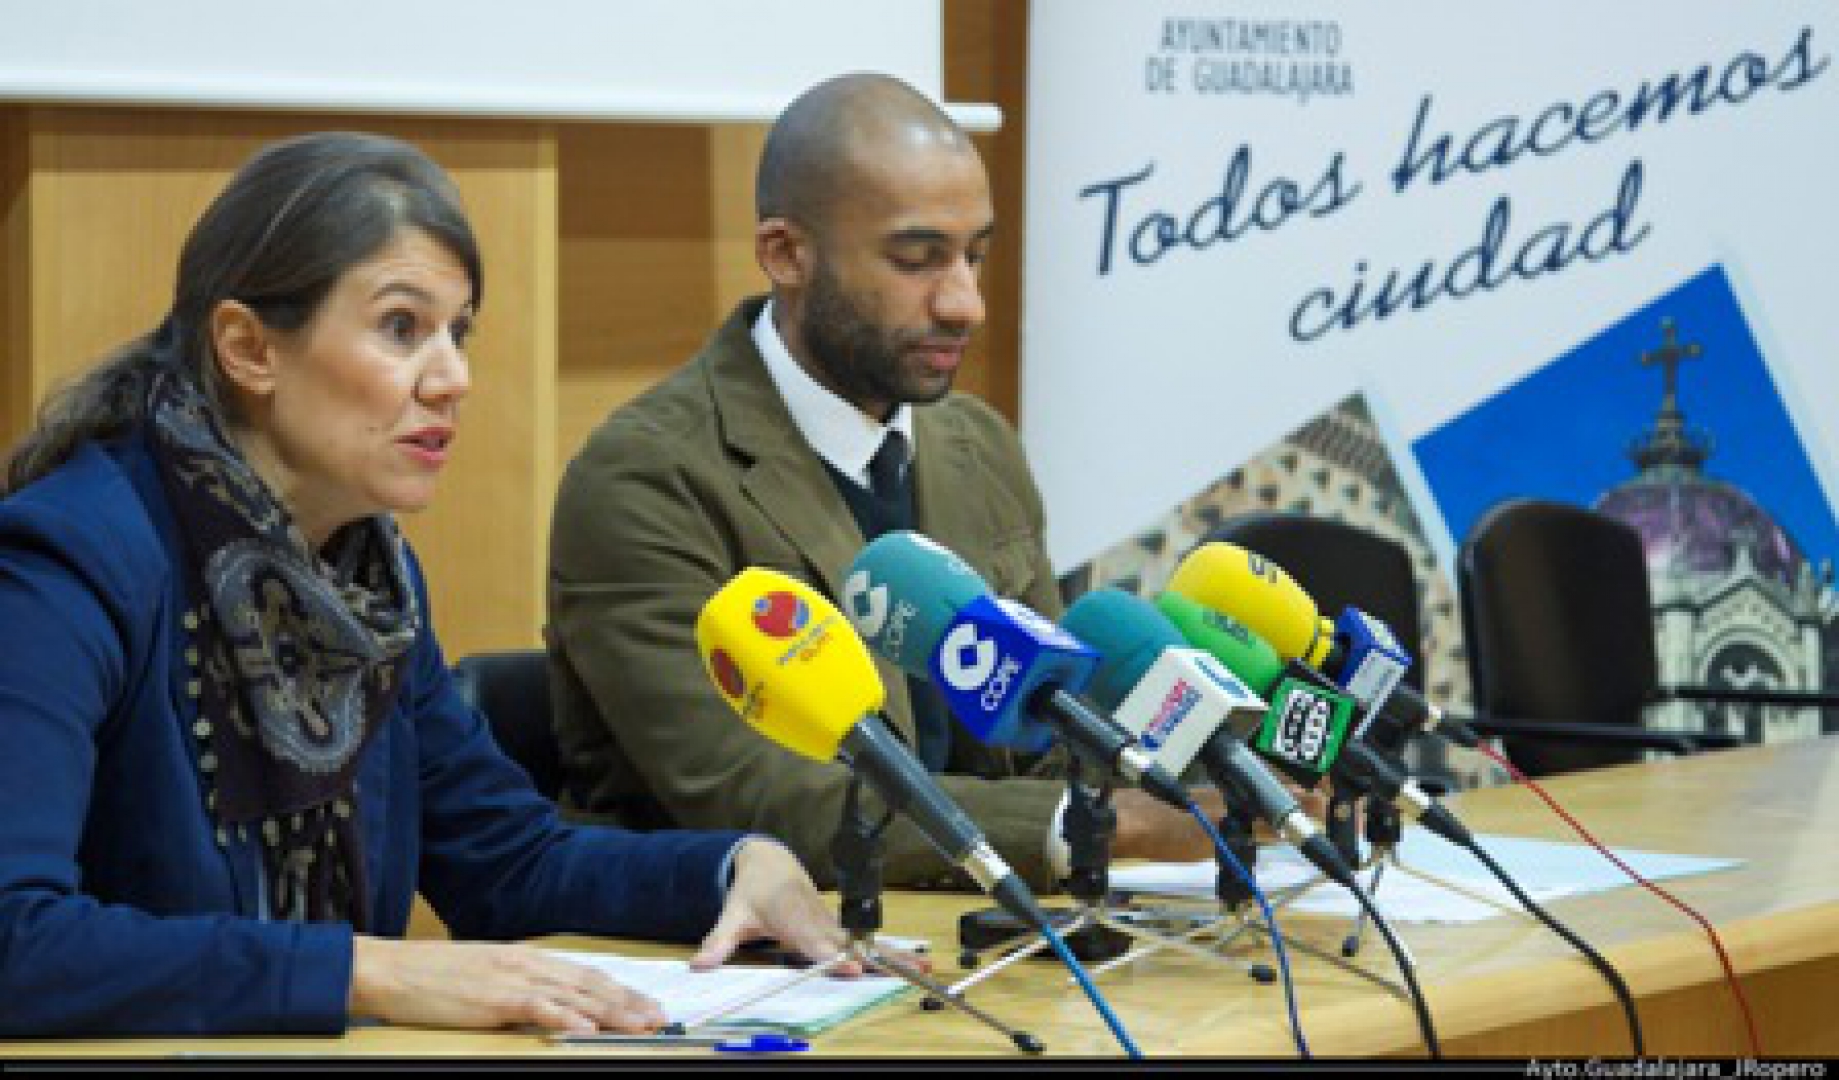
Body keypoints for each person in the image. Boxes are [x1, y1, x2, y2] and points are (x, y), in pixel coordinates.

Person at [0, 132, 853, 1039]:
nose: (454, 379)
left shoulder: (365, 578)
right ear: (249, 348)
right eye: (401, 327)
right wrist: (362, 971)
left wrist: (733, 868)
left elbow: (506, 862)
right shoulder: (65, 566)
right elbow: (17, 939)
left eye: (459, 331)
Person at [548, 74, 1223, 894]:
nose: (965, 303)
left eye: (974, 255)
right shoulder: (648, 479)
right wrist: (1112, 823)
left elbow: (1044, 737)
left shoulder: (978, 446)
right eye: (916, 259)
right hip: (741, 944)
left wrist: (1215, 773)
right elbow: (762, 797)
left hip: (975, 923)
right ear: (785, 254)